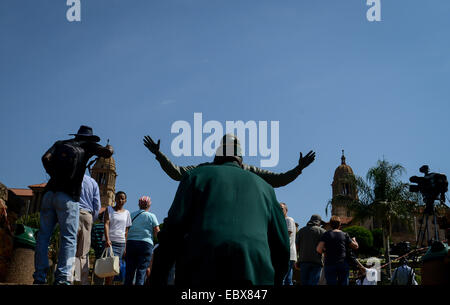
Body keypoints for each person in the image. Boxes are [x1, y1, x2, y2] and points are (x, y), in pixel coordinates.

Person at [148, 134, 290, 286]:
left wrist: (158, 276)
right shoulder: (266, 188)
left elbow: (172, 232)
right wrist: (274, 279)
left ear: (217, 155)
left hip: (200, 270)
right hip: (255, 273)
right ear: (240, 158)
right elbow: (282, 247)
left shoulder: (195, 176)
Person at [33, 125, 113, 285]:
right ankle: (63, 279)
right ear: (89, 138)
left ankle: (39, 277)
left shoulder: (60, 143)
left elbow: (44, 158)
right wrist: (109, 146)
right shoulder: (88, 145)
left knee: (43, 236)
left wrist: (53, 174)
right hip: (68, 196)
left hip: (49, 194)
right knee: (68, 238)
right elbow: (107, 152)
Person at [143, 134, 315, 188]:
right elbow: (280, 180)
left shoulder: (206, 168)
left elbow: (176, 172)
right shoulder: (248, 170)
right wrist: (299, 168)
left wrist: (159, 154)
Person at [125, 196, 160, 285]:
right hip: (146, 244)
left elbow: (126, 231)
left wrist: (125, 246)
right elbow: (157, 231)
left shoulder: (131, 215)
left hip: (131, 242)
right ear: (149, 204)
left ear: (139, 204)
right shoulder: (152, 216)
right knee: (141, 271)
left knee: (129, 271)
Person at [73, 174, 101, 285]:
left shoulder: (71, 176)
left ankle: (68, 280)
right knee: (83, 253)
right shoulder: (92, 182)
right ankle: (81, 281)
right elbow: (97, 206)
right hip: (87, 215)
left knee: (69, 250)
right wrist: (91, 219)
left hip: (72, 213)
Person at [316, 216, 359, 285]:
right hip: (342, 263)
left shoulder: (326, 235)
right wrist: (354, 240)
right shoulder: (345, 235)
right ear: (340, 224)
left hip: (329, 263)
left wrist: (326, 250)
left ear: (330, 225)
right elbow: (356, 246)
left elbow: (318, 249)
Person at [103, 191, 132, 285]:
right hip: (110, 242)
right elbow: (106, 224)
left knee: (115, 268)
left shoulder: (127, 213)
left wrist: (126, 247)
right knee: (109, 267)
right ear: (115, 199)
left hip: (121, 244)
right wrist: (107, 239)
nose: (120, 200)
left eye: (122, 198)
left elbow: (126, 231)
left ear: (125, 200)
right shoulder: (109, 209)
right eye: (118, 198)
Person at [296, 214, 326, 285]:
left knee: (304, 283)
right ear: (318, 222)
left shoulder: (301, 231)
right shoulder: (322, 231)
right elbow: (325, 247)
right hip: (317, 261)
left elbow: (296, 246)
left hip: (303, 261)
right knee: (314, 283)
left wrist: (296, 260)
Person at [280, 202, 297, 285]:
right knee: (288, 278)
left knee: (283, 277)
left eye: (282, 208)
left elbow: (288, 233)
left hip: (288, 252)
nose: (280, 210)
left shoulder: (288, 219)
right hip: (287, 253)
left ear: (286, 210)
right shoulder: (282, 220)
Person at [91, 207, 106, 285]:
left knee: (98, 279)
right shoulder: (110, 229)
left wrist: (97, 248)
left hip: (98, 255)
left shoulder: (95, 227)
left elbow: (92, 241)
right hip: (108, 255)